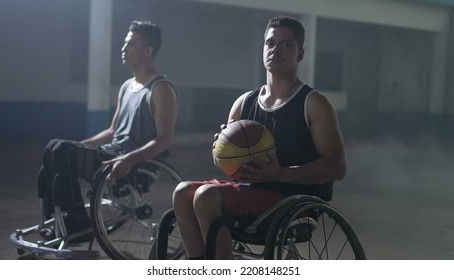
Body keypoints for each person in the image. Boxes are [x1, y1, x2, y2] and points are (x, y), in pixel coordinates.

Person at [172, 15, 346, 259]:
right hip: (248, 192)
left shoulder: (313, 103)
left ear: (300, 54)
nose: (276, 49)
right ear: (263, 49)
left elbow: (337, 167)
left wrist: (282, 173)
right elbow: (227, 168)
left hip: (290, 201)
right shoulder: (244, 103)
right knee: (182, 192)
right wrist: (220, 151)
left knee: (205, 196)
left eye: (286, 44)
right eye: (270, 43)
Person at [38, 20, 178, 240]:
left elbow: (164, 140)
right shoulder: (126, 87)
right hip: (111, 152)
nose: (123, 48)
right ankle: (57, 221)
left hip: (133, 162)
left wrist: (129, 159)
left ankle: (76, 221)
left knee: (59, 151)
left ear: (148, 50)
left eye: (130, 44)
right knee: (53, 151)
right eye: (125, 44)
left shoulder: (161, 89)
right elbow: (113, 130)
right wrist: (82, 145)